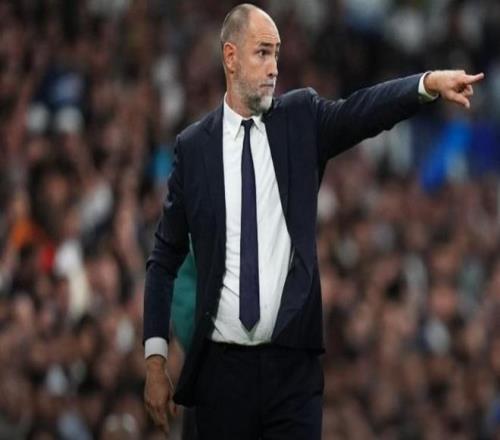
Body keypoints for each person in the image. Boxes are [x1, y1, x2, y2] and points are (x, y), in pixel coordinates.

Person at [143, 3, 484, 439]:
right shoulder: (193, 148)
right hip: (220, 373)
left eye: (277, 54)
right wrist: (155, 360)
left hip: (292, 370)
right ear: (230, 57)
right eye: (262, 53)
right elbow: (164, 258)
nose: (274, 67)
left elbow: (362, 111)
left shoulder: (300, 118)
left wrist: (426, 84)